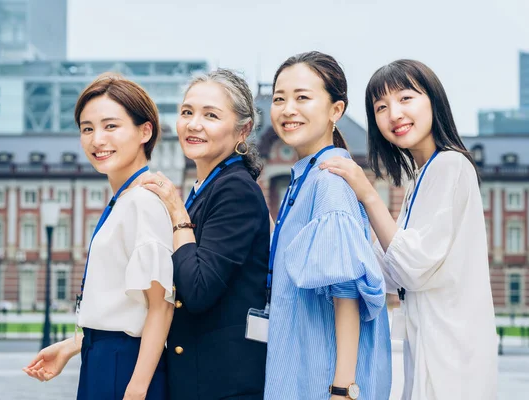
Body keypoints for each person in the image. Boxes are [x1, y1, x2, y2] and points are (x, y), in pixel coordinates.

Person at [320, 59, 498, 399]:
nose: (394, 115)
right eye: (381, 107)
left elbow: (411, 268)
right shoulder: (422, 175)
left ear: (433, 100)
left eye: (405, 99)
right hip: (433, 343)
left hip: (450, 351)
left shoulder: (450, 165)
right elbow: (389, 271)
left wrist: (367, 194)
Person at [23, 74, 175, 400]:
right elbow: (120, 303)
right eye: (87, 128)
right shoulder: (124, 199)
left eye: (110, 126)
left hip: (126, 366)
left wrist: (136, 389)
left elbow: (160, 308)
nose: (96, 140)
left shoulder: (143, 202)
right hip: (104, 357)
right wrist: (71, 347)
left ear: (144, 131)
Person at [264, 51, 391, 400]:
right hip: (299, 367)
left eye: (302, 97)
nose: (288, 108)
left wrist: (342, 390)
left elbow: (347, 293)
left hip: (318, 378)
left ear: (336, 110)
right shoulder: (306, 176)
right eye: (279, 98)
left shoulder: (330, 180)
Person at [140, 68, 269, 399]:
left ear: (244, 129)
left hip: (224, 384)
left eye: (210, 115)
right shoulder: (208, 186)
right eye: (187, 112)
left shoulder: (234, 189)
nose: (193, 124)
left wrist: (176, 211)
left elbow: (197, 289)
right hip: (202, 378)